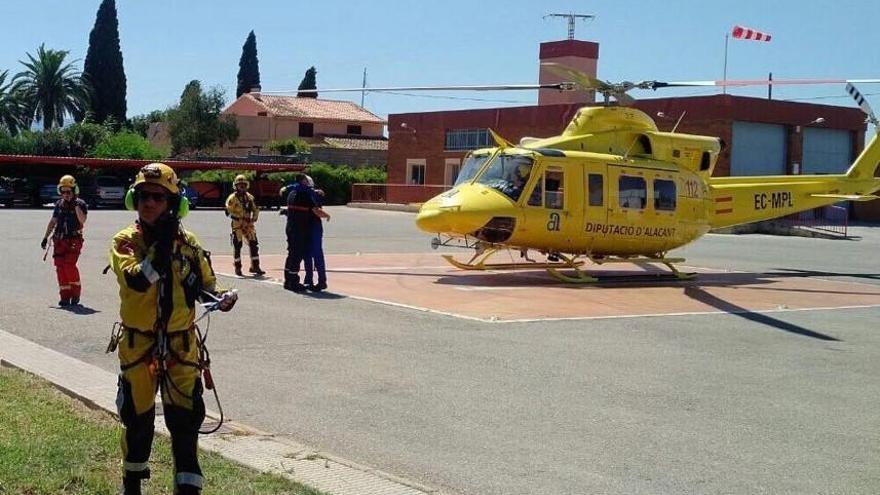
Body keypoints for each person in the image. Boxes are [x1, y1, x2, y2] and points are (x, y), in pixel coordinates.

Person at [109, 163, 237, 495]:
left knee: (185, 422)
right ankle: (132, 485)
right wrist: (162, 246)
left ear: (173, 203)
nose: (148, 202)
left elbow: (206, 284)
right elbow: (139, 280)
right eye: (142, 195)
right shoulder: (125, 241)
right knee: (137, 420)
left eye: (157, 197)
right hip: (139, 346)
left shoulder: (188, 243)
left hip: (182, 347)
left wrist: (222, 298)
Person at [41, 175, 88, 306]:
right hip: (59, 241)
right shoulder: (59, 204)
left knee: (69, 266)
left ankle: (75, 294)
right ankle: (65, 296)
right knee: (60, 267)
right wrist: (45, 237)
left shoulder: (81, 204)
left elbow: (82, 220)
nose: (66, 194)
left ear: (74, 190)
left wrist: (76, 206)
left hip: (74, 241)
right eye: (63, 191)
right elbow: (53, 221)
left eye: (69, 191)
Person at [224, 174, 264, 276]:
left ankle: (255, 266)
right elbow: (227, 212)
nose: (242, 187)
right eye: (239, 185)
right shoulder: (232, 198)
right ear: (235, 186)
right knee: (238, 245)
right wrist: (237, 218)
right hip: (237, 225)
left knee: (254, 244)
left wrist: (253, 219)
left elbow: (256, 209)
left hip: (248, 225)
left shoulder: (250, 197)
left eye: (244, 185)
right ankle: (238, 267)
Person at [283, 174, 315, 292]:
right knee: (297, 255)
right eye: (306, 181)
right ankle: (293, 281)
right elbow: (314, 210)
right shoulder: (305, 195)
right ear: (302, 181)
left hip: (290, 227)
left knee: (291, 253)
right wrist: (326, 215)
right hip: (300, 228)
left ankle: (287, 280)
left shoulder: (292, 193)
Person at [302, 176, 331, 291]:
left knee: (314, 254)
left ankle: (318, 280)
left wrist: (326, 215)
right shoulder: (312, 194)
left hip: (312, 226)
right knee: (311, 254)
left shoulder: (310, 194)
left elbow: (316, 210)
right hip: (310, 226)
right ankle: (312, 280)